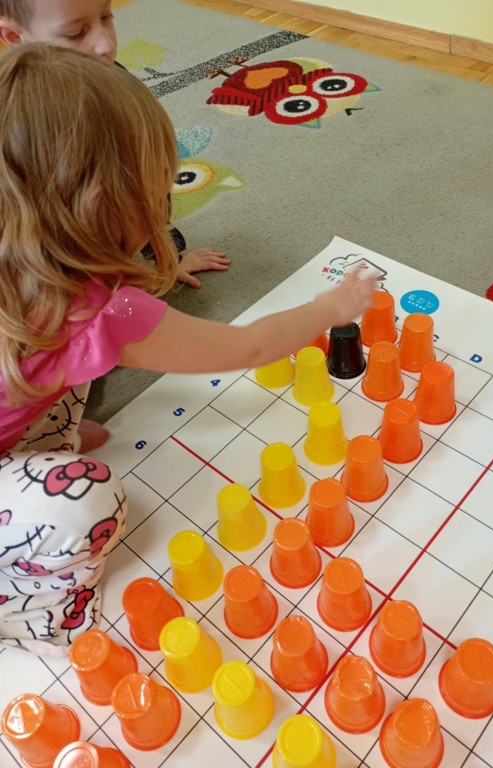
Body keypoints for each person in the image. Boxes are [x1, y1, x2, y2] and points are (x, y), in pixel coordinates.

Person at [0, 44, 376, 655]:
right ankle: (37, 618)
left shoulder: (31, 267)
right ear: (101, 206)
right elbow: (248, 344)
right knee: (88, 499)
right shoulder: (105, 314)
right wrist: (331, 308)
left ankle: (35, 441)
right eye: (159, 192)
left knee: (70, 373)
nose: (165, 206)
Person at [0, 0, 231, 289]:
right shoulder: (20, 116)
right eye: (75, 33)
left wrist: (165, 255)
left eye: (107, 16)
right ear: (13, 36)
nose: (106, 45)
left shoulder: (112, 80)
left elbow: (146, 177)